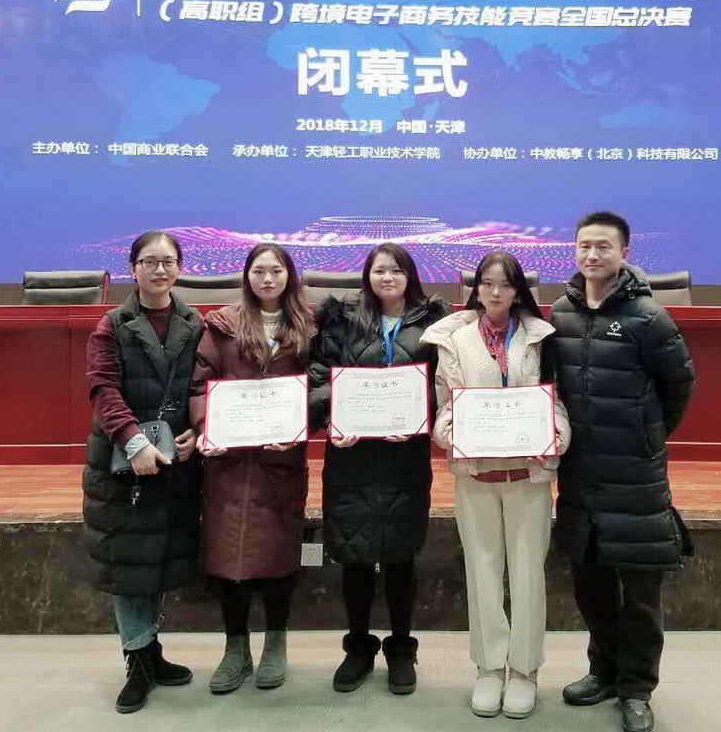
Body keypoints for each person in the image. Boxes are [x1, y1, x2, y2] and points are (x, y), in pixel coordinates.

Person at [549, 211, 696, 732]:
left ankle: (636, 689)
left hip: (635, 475)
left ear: (624, 253)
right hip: (580, 473)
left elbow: (679, 384)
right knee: (590, 585)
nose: (592, 255)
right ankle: (603, 671)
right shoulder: (560, 313)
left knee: (639, 594)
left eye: (603, 247)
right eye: (584, 246)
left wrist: (646, 435)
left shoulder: (648, 317)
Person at [421, 251, 571, 719]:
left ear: (519, 290)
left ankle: (524, 669)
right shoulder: (455, 340)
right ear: (476, 288)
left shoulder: (542, 337)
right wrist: (448, 433)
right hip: (477, 476)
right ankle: (488, 667)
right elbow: (446, 404)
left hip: (528, 477)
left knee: (528, 576)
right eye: (487, 283)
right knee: (483, 574)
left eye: (505, 284)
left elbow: (556, 401)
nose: (495, 292)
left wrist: (556, 435)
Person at [308, 243, 448, 695]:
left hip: (404, 458)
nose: (388, 277)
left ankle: (402, 649)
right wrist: (332, 418)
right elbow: (318, 376)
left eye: (397, 270)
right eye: (380, 270)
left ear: (410, 276)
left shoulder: (434, 325)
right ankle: (358, 648)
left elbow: (444, 384)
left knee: (401, 556)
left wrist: (420, 419)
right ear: (367, 276)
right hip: (351, 458)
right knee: (354, 556)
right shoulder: (341, 322)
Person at [81, 230, 203, 714]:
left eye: (168, 261)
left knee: (157, 558)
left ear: (179, 268)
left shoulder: (194, 322)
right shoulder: (112, 324)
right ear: (133, 268)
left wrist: (198, 428)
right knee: (131, 563)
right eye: (150, 261)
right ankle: (136, 662)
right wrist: (134, 442)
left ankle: (151, 653)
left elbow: (202, 384)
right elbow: (103, 389)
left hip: (175, 459)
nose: (159, 270)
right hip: (123, 460)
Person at [189, 243, 317, 694]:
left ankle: (276, 644)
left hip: (280, 459)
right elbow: (200, 384)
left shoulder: (310, 326)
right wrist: (208, 425)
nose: (267, 279)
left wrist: (300, 424)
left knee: (278, 553)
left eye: (275, 271)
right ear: (246, 276)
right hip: (228, 461)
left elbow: (320, 386)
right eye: (259, 271)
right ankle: (235, 648)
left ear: (289, 276)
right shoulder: (222, 325)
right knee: (228, 557)